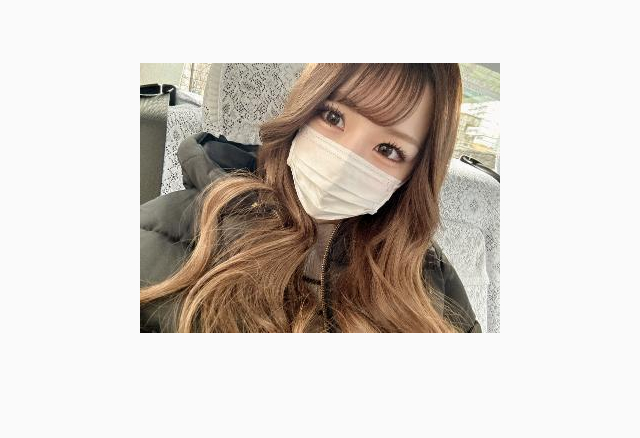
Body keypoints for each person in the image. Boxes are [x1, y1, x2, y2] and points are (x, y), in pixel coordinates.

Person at [140, 63, 481, 333]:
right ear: (303, 112)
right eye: (333, 117)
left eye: (388, 149)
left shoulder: (432, 279)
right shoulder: (163, 232)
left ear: (413, 176)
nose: (344, 161)